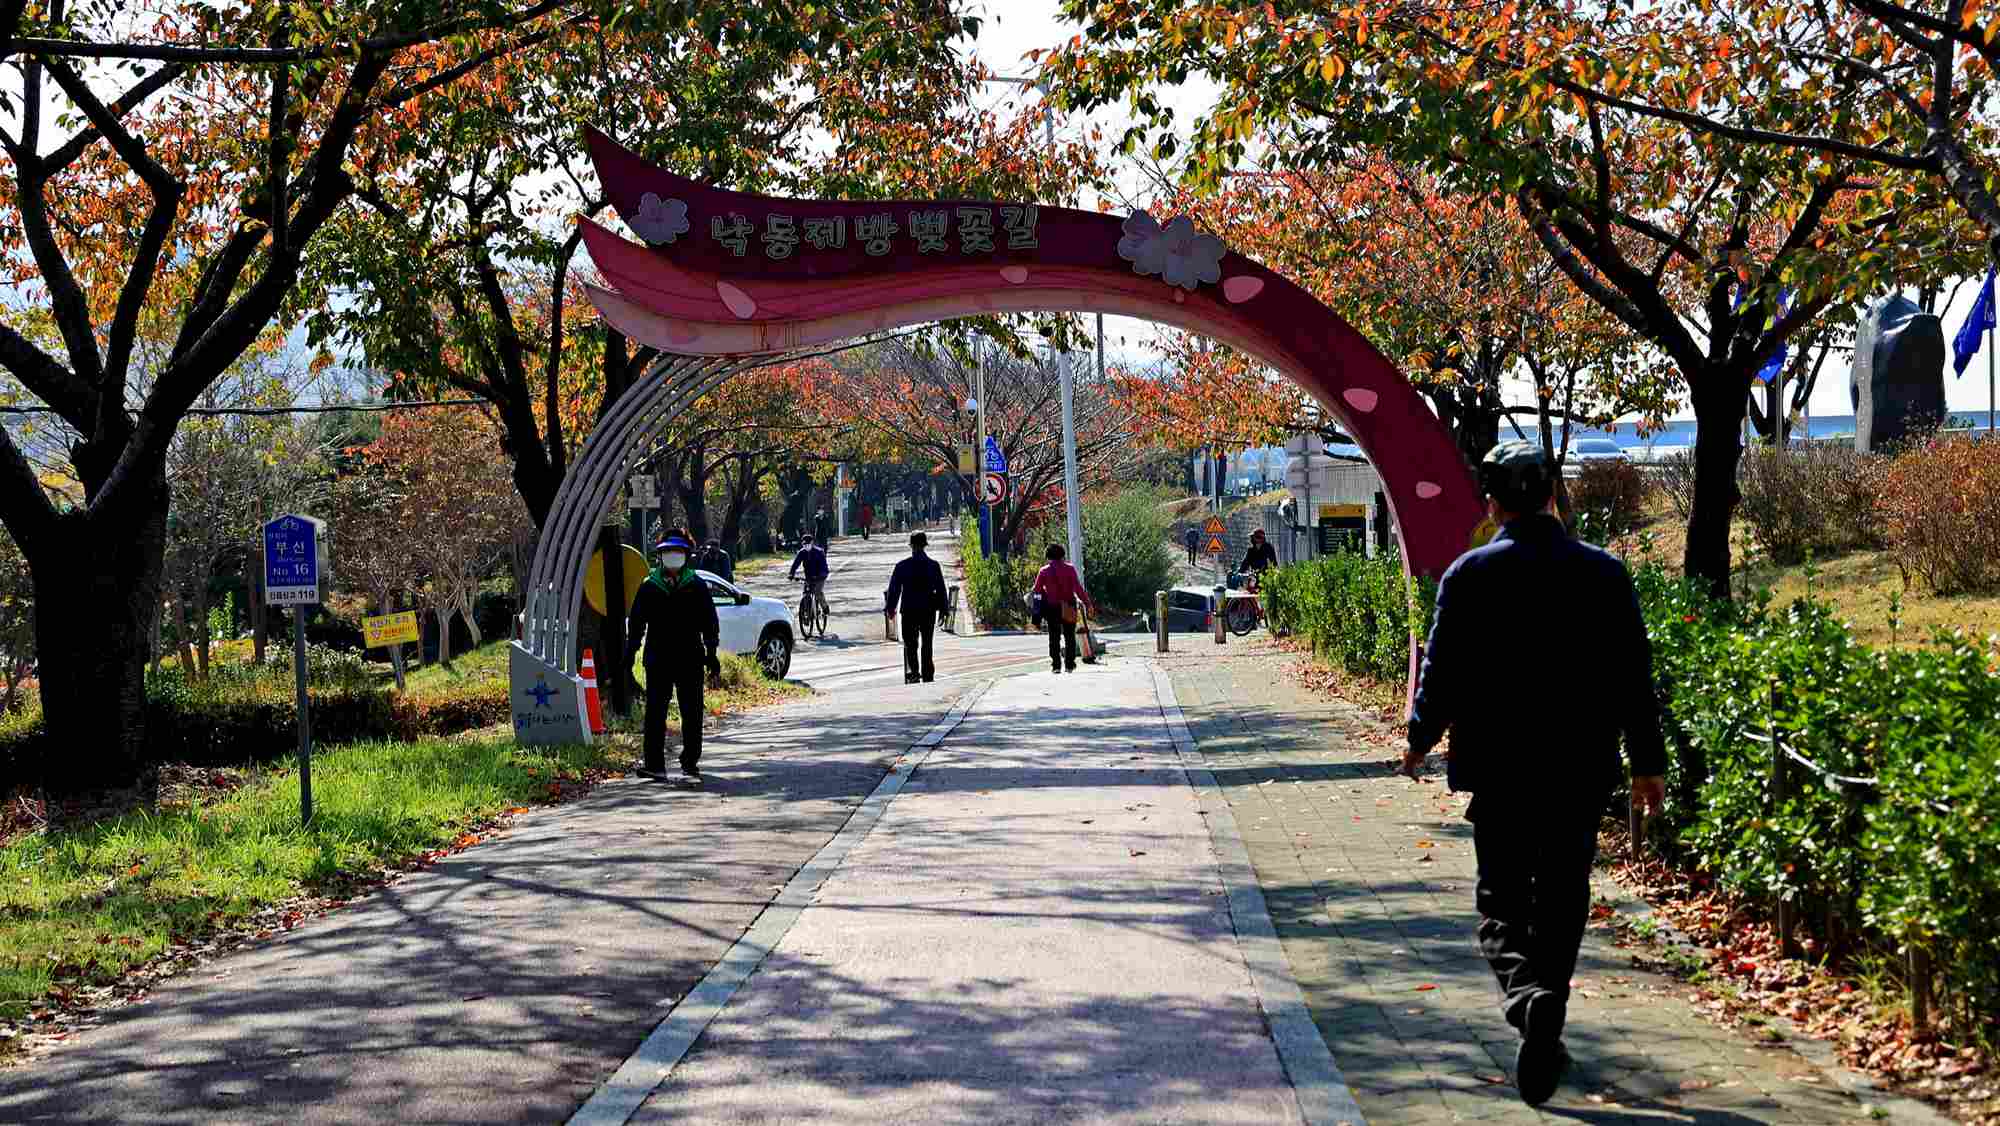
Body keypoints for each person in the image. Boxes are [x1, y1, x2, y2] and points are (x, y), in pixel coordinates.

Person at [1401, 440, 1666, 1107]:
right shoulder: (1605, 575)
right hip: (1580, 769)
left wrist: (1418, 741)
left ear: (1492, 504)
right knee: (1563, 900)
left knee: (1500, 907)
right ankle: (1548, 1013)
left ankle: (1528, 999)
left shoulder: (1468, 576)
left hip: (1500, 771)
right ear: (1553, 495)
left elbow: (1443, 672)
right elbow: (1634, 676)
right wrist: (1647, 764)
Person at [625, 530, 721, 781]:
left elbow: (709, 621)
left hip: (690, 656)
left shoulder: (697, 586)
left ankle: (690, 762)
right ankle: (654, 764)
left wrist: (712, 654)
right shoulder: (648, 587)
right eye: (668, 552)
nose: (673, 557)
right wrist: (630, 652)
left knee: (692, 712)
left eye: (678, 552)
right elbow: (636, 624)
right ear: (660, 556)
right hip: (658, 657)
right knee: (655, 711)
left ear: (687, 556)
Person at [884, 531, 948, 684]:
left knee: (910, 644)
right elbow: (940, 589)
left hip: (909, 610)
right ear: (925, 545)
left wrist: (891, 609)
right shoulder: (933, 566)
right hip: (928, 610)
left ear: (911, 546)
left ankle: (914, 671)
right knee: (927, 643)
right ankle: (927, 673)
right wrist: (943, 610)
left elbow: (894, 590)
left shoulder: (902, 566)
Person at [1032, 543, 1094, 674]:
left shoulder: (1043, 571)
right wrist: (1088, 603)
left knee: (1054, 637)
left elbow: (1037, 592)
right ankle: (1069, 664)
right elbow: (1078, 589)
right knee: (1069, 636)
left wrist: (1036, 613)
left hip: (1052, 607)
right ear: (1062, 555)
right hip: (1069, 606)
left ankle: (1056, 665)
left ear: (1048, 556)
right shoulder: (1070, 569)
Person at [788, 533, 829, 615]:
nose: (806, 545)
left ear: (812, 543)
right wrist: (791, 574)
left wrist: (821, 575)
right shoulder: (801, 553)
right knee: (806, 593)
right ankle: (807, 611)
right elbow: (795, 564)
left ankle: (825, 608)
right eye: (804, 544)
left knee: (817, 592)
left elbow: (824, 566)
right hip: (808, 577)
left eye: (808, 543)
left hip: (820, 577)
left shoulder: (819, 552)